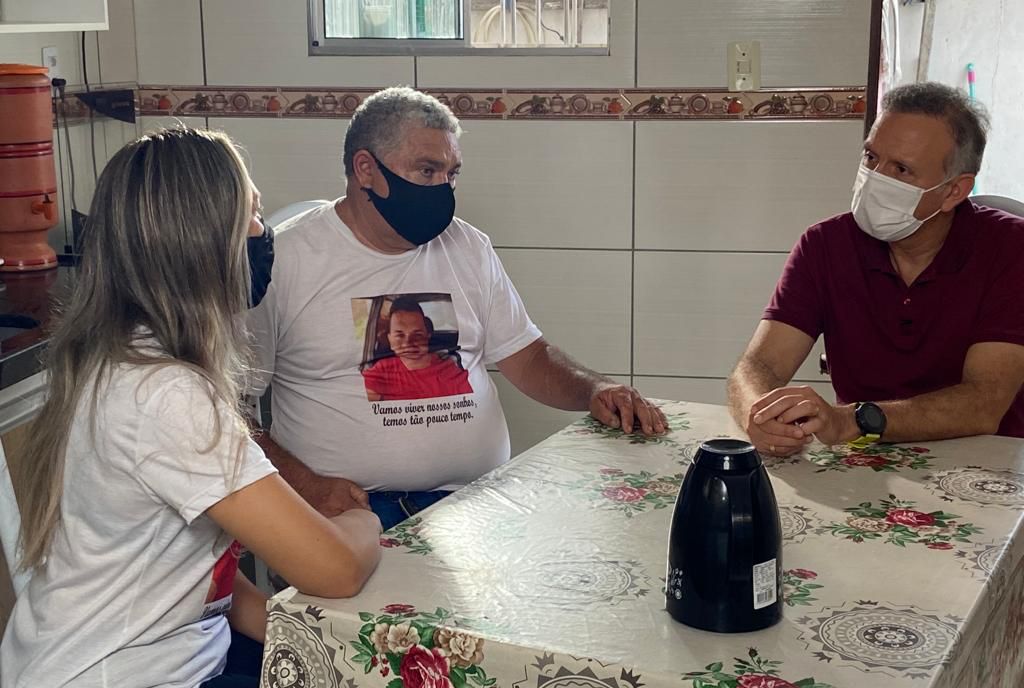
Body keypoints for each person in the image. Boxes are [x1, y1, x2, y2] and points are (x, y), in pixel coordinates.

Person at [0, 127, 382, 688]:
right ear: (204, 243)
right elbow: (337, 570)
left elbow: (205, 580)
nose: (263, 234)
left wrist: (311, 644)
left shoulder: (118, 358)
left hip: (111, 684)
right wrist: (363, 523)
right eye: (253, 216)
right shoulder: (166, 396)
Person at [248, 86, 667, 530]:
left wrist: (595, 390)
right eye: (427, 171)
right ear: (365, 169)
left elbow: (528, 358)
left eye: (451, 175)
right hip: (349, 512)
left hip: (478, 502)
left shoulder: (467, 246)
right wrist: (305, 486)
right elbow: (227, 408)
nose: (442, 190)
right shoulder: (281, 260)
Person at [728, 82, 1024, 457]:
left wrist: (852, 419)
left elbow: (983, 403)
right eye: (871, 157)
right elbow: (759, 365)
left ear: (954, 191)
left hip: (990, 466)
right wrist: (759, 412)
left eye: (901, 169)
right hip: (864, 458)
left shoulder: (1011, 248)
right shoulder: (824, 244)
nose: (876, 178)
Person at [361, 296, 472, 401]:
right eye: (399, 335)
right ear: (390, 339)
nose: (408, 342)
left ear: (427, 335)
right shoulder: (381, 370)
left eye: (417, 334)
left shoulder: (448, 368)